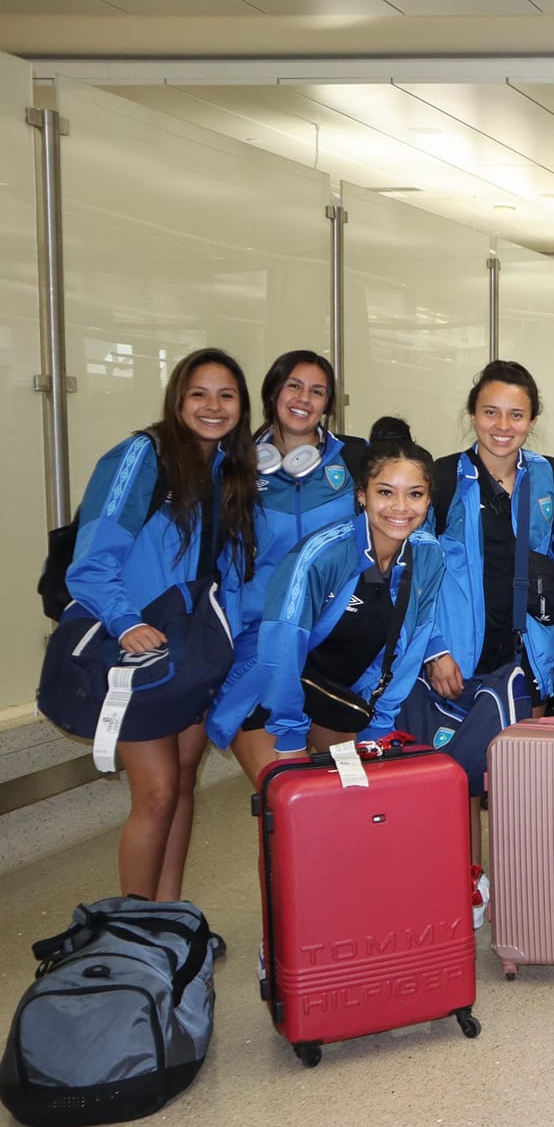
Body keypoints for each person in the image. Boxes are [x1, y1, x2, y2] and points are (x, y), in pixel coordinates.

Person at [68, 348, 258, 900]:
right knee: (154, 794)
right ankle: (130, 932)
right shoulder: (142, 457)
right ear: (177, 399)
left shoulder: (229, 471)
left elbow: (231, 572)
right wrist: (126, 623)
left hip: (193, 655)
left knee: (181, 785)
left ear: (242, 407)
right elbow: (93, 559)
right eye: (198, 393)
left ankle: (168, 916)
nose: (212, 406)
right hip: (136, 651)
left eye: (226, 395)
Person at [213, 437, 446, 768]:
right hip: (268, 690)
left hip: (331, 694)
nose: (400, 506)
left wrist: (380, 722)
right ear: (361, 494)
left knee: (352, 801)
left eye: (415, 494)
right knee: (290, 803)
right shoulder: (322, 554)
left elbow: (409, 648)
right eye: (385, 491)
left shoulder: (428, 554)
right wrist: (291, 736)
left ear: (428, 501)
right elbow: (281, 648)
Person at [219, 350, 367, 783]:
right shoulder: (233, 469)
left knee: (353, 793)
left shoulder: (355, 462)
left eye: (317, 391)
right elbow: (218, 563)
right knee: (283, 794)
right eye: (294, 386)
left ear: (329, 405)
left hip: (336, 650)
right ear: (272, 393)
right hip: (259, 646)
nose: (304, 398)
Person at [423, 361, 554, 707]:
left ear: (533, 421)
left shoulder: (553, 476)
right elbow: (412, 575)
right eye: (491, 412)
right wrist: (434, 650)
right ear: (473, 414)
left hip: (530, 657)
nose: (503, 426)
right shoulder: (442, 479)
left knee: (526, 758)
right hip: (457, 662)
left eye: (517, 415)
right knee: (461, 760)